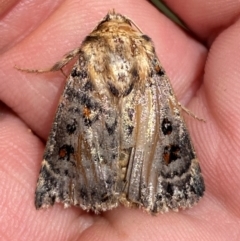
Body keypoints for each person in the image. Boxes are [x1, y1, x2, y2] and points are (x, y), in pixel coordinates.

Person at [0, 1, 239, 240]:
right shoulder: (144, 55)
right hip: (145, 113)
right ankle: (164, 186)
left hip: (88, 111)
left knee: (74, 133)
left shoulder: (90, 54)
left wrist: (43, 70)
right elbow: (166, 93)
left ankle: (72, 185)